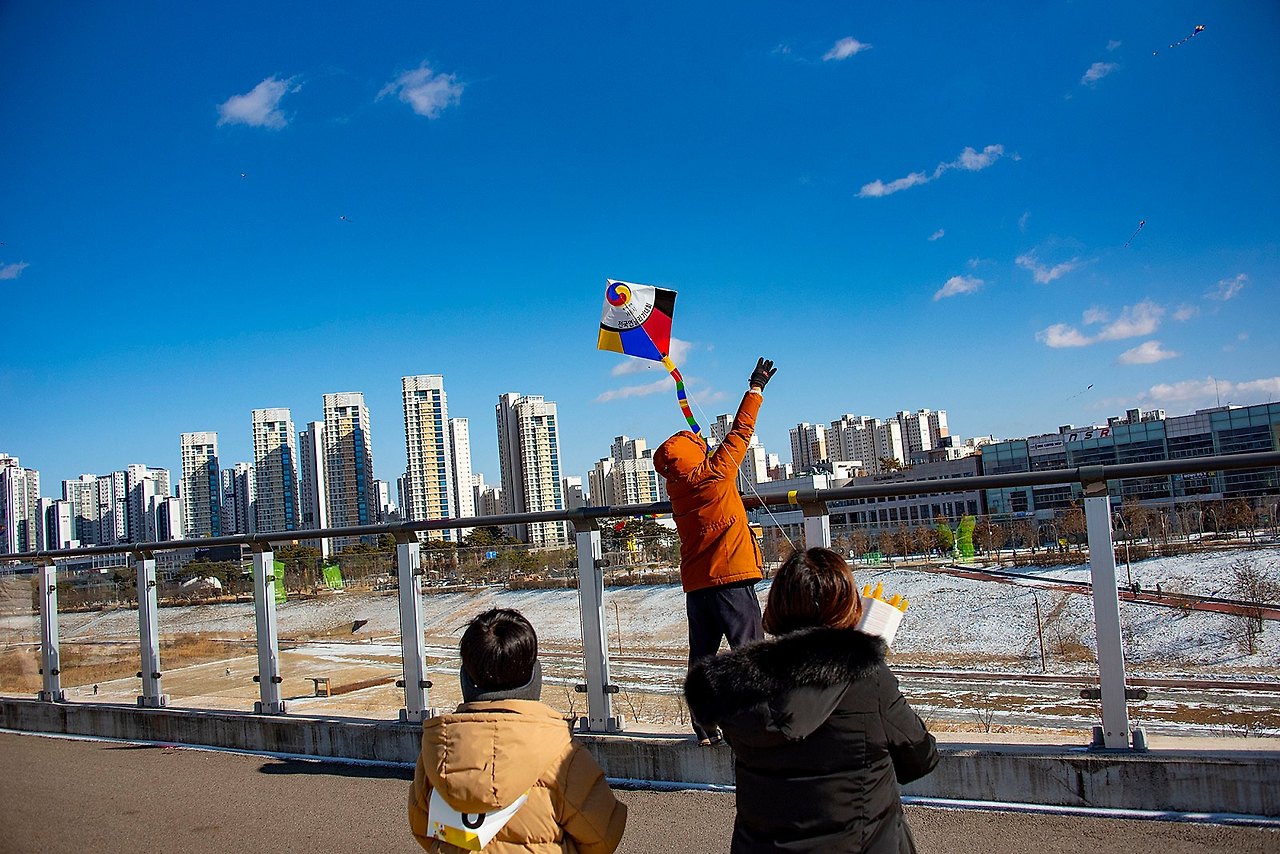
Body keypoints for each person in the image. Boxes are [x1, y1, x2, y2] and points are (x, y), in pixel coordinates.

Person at [684, 548, 937, 853]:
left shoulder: (736, 689)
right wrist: (861, 653)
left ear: (777, 605)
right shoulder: (870, 680)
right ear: (848, 605)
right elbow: (921, 758)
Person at [408, 608, 627, 853]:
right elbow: (603, 836)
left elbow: (423, 827)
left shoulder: (440, 751)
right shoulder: (563, 755)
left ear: (465, 678)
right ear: (534, 675)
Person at [653, 356, 776, 745]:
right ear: (697, 454)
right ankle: (760, 725)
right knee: (749, 653)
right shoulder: (716, 471)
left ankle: (704, 723)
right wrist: (755, 388)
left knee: (702, 657)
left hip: (697, 585)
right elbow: (741, 430)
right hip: (732, 578)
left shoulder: (676, 489)